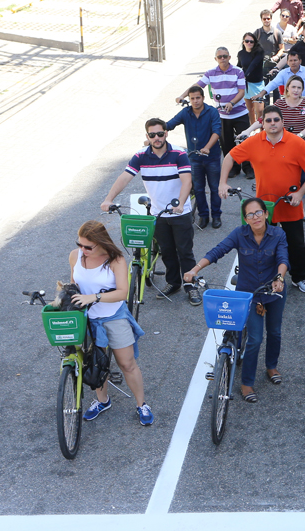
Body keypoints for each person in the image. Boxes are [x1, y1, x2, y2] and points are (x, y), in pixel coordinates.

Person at [184, 197, 288, 403]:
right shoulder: (239, 234)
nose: (255, 217)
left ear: (266, 214)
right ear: (245, 219)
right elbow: (218, 251)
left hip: (273, 291)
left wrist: (279, 277)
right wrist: (195, 269)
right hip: (248, 294)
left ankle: (271, 366)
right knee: (255, 339)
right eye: (250, 214)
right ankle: (247, 383)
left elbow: (283, 259)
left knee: (274, 331)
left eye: (258, 212)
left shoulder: (278, 234)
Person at [220, 106, 305, 292]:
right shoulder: (253, 142)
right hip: (264, 207)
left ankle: (299, 278)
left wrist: (300, 193)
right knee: (263, 245)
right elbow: (229, 157)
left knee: (296, 244)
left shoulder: (296, 143)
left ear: (282, 122)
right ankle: (267, 279)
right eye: (268, 120)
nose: (272, 123)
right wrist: (222, 183)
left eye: (276, 120)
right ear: (262, 123)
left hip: (290, 204)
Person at [100, 118, 196, 301]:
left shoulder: (178, 153)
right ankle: (174, 282)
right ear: (147, 136)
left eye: (160, 134)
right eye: (152, 135)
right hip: (157, 213)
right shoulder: (141, 156)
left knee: (185, 251)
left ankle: (191, 285)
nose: (157, 138)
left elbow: (186, 181)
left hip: (179, 212)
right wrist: (108, 199)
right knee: (167, 251)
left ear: (166, 133)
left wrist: (181, 203)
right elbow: (124, 177)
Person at [71, 221, 152, 424]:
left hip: (113, 316)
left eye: (88, 247)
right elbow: (74, 285)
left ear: (100, 243)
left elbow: (122, 293)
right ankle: (102, 401)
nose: (83, 250)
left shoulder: (115, 260)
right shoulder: (75, 256)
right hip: (88, 319)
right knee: (96, 363)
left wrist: (93, 297)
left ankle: (141, 404)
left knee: (127, 363)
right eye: (79, 244)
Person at [181, 47, 250, 180]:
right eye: (220, 57)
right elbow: (196, 86)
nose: (222, 59)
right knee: (227, 144)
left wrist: (232, 103)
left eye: (225, 56)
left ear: (230, 57)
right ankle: (233, 168)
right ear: (216, 59)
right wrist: (182, 96)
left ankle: (248, 168)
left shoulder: (238, 72)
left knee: (245, 142)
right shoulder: (210, 73)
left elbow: (241, 91)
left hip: (240, 113)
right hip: (222, 116)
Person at [166, 87, 223, 230]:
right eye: (192, 98)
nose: (195, 101)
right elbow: (170, 124)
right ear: (189, 99)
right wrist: (155, 133)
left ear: (203, 98)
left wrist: (208, 147)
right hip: (194, 158)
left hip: (212, 157)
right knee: (198, 188)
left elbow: (217, 132)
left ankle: (216, 216)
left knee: (215, 188)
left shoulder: (212, 112)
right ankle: (203, 216)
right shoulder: (186, 112)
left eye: (198, 98)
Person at [237, 31, 266, 125]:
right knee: (250, 110)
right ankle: (253, 130)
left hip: (257, 84)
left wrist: (245, 75)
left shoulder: (259, 52)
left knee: (260, 110)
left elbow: (254, 65)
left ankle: (262, 129)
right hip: (246, 85)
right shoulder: (241, 53)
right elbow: (239, 66)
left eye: (251, 41)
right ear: (243, 42)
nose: (249, 43)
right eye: (247, 41)